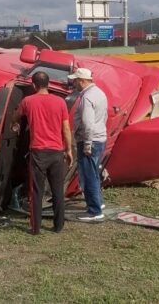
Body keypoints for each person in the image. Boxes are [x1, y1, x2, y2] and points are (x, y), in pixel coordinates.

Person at [12, 71, 73, 235]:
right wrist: (68, 149)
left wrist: (16, 125)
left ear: (33, 85)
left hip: (38, 152)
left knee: (36, 191)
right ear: (48, 83)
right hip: (56, 152)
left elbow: (15, 117)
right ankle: (58, 226)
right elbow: (66, 128)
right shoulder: (60, 102)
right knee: (57, 190)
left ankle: (36, 228)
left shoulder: (28, 101)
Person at [68, 68, 108, 222]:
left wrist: (87, 145)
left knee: (88, 175)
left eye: (75, 80)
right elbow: (102, 117)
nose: (74, 83)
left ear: (82, 81)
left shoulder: (87, 98)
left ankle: (94, 211)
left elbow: (87, 123)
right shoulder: (99, 93)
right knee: (95, 173)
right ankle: (99, 203)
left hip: (89, 140)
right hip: (99, 138)